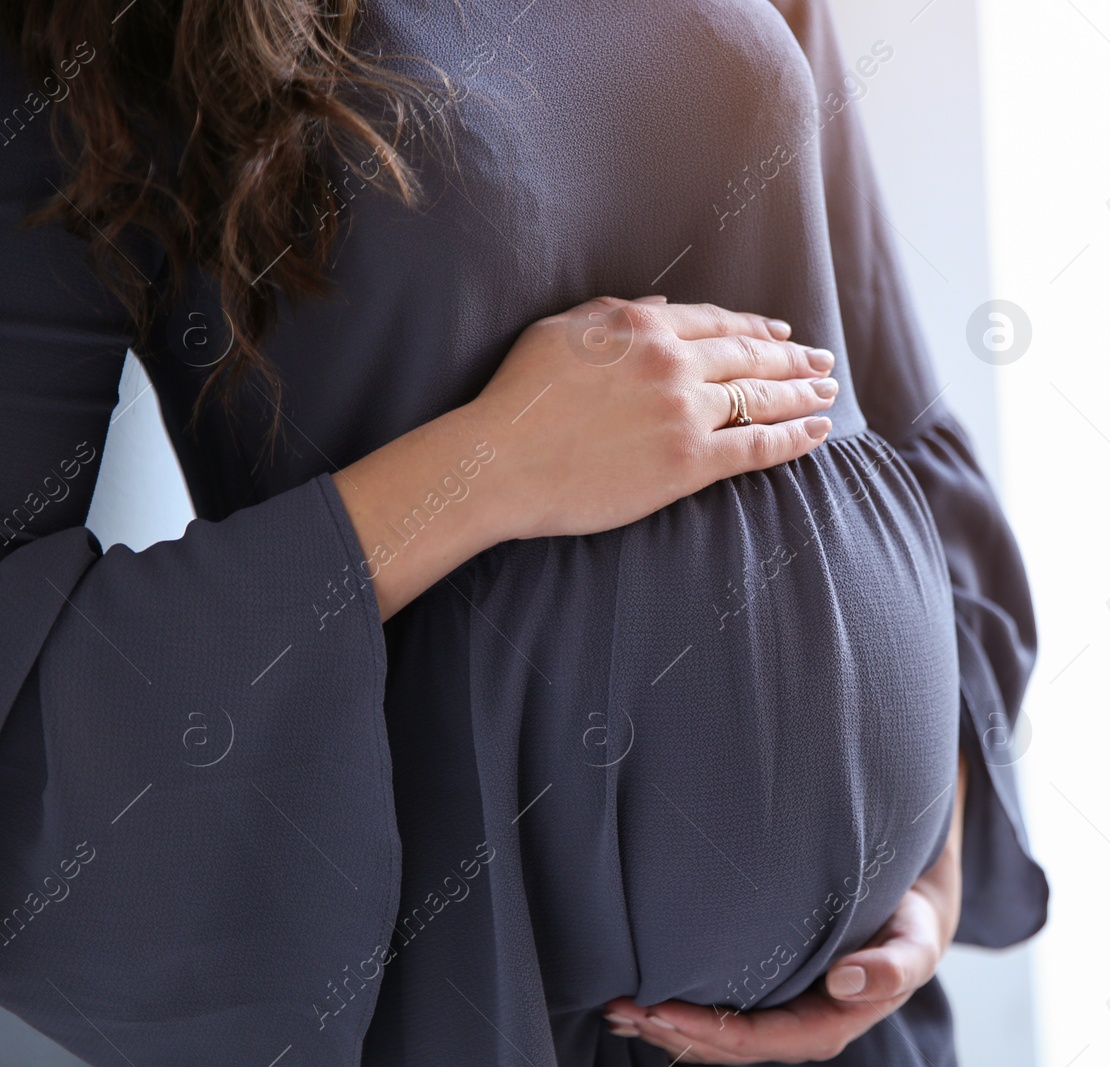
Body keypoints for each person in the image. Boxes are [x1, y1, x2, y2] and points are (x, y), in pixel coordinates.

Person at [0, 0, 1047, 1063]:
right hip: (485, 989)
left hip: (856, 1019)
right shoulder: (96, 35)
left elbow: (888, 399)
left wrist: (936, 840)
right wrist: (485, 468)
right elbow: (22, 681)